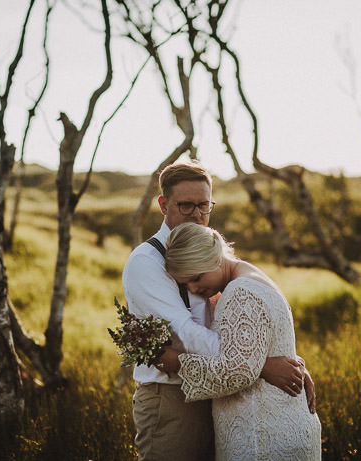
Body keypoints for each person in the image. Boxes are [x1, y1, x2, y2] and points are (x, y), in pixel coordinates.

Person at [122, 162, 313, 461]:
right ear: (163, 204)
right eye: (186, 206)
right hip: (172, 399)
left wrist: (289, 361)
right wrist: (263, 364)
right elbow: (184, 332)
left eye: (204, 205)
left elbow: (250, 321)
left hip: (225, 395)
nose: (198, 215)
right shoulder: (147, 261)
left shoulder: (208, 253)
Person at [158, 222, 322, 460]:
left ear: (213, 258)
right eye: (186, 285)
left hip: (262, 437)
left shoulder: (240, 293)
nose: (193, 288)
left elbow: (239, 371)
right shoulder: (252, 275)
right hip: (278, 426)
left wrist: (177, 362)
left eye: (196, 277)